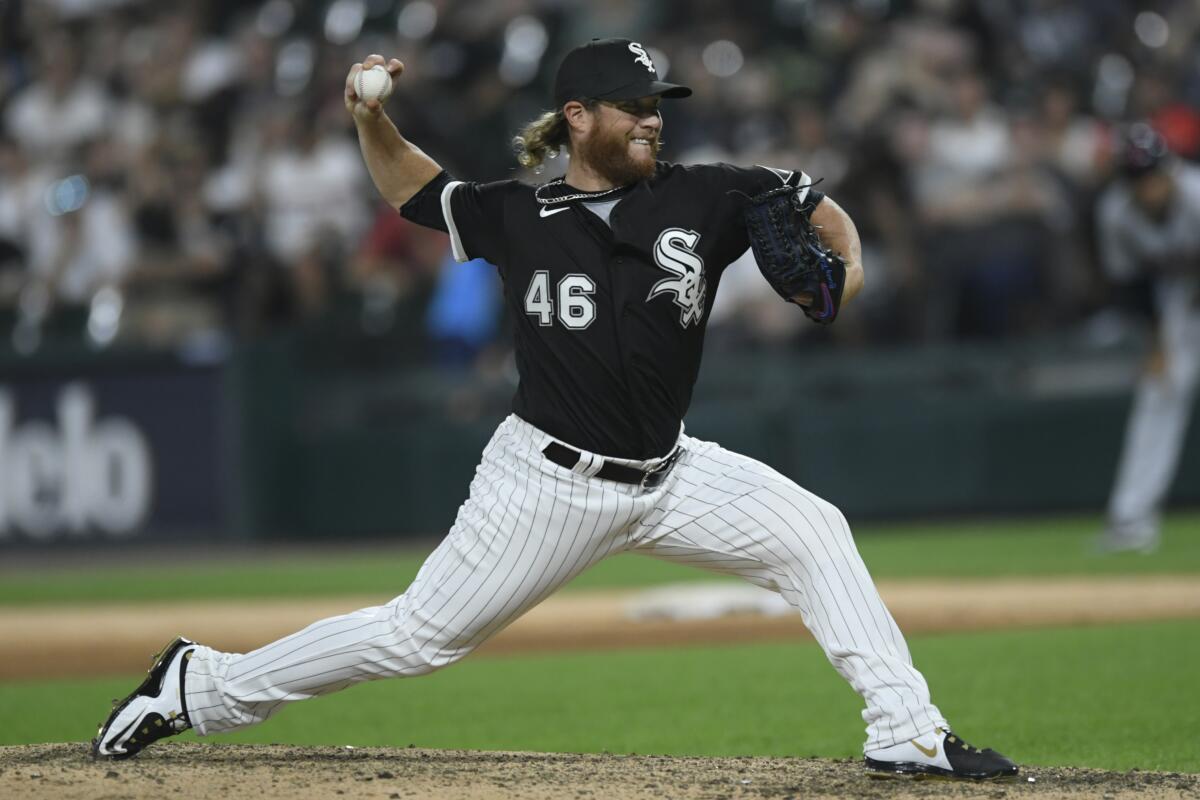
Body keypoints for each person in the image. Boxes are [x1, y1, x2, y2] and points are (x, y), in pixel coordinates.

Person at [93, 39, 1018, 780]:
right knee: (418, 636)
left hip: (673, 471)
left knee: (814, 531)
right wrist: (369, 116)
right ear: (580, 118)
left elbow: (821, 210)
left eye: (660, 106)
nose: (654, 119)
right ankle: (200, 686)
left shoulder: (711, 193)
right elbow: (416, 188)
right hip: (547, 485)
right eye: (636, 106)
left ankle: (906, 732)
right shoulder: (515, 215)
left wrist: (845, 271)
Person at [1095, 123, 1200, 554]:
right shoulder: (1116, 213)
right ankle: (1131, 521)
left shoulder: (1196, 196)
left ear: (1168, 169)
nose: (1148, 187)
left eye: (1152, 175)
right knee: (1159, 394)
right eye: (1138, 180)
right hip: (1175, 302)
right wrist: (1157, 345)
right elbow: (1132, 285)